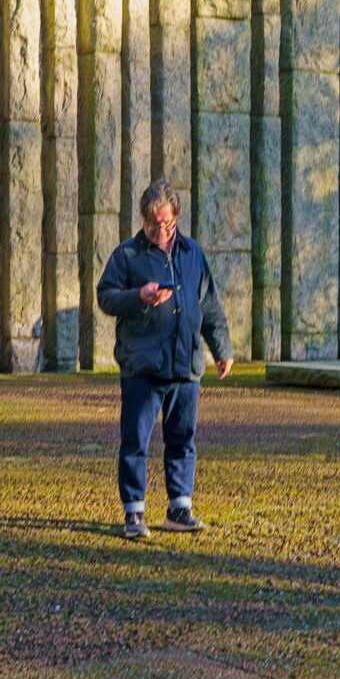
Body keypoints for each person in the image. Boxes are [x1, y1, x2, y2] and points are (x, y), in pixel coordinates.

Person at [96, 178, 233, 540]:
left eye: (167, 223)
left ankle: (179, 507)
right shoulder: (126, 255)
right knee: (135, 442)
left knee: (183, 440)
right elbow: (105, 297)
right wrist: (138, 296)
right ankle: (134, 513)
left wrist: (222, 349)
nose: (160, 230)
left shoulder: (192, 254)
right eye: (153, 223)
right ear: (143, 220)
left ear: (176, 218)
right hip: (142, 365)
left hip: (185, 365)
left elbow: (209, 307)